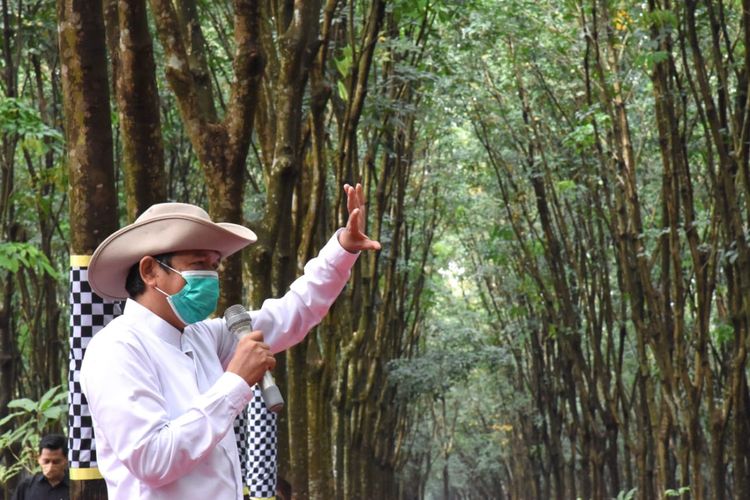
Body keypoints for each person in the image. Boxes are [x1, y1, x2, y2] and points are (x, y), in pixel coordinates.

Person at [80, 184, 379, 499]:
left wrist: (343, 249)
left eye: (214, 266)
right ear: (150, 270)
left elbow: (295, 312)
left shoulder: (203, 336)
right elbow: (153, 459)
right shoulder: (116, 349)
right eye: (199, 265)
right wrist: (235, 382)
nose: (212, 277)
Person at [11, 434, 69, 500]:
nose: (50, 466)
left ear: (66, 460)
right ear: (38, 459)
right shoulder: (26, 486)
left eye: (56, 462)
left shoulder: (76, 487)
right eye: (46, 461)